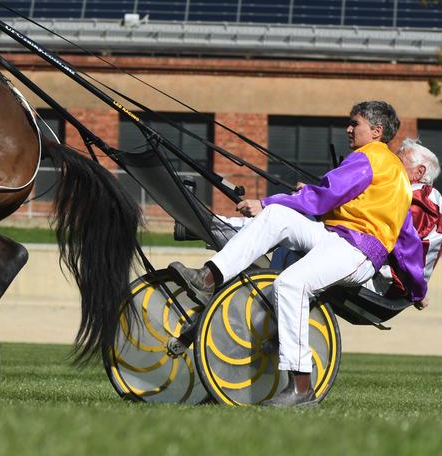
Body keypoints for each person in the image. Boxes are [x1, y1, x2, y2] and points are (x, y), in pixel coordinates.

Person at [168, 101, 426, 408]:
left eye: (354, 123)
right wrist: (417, 289)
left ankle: (301, 388)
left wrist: (264, 202)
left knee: (289, 284)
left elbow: (326, 194)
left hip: (354, 250)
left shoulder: (371, 157)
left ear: (376, 130)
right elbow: (407, 239)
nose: (348, 128)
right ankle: (208, 277)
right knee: (278, 216)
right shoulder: (395, 174)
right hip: (334, 238)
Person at [368, 139, 442, 301]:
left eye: (399, 162)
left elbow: (406, 248)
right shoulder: (424, 197)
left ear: (419, 172)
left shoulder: (420, 199)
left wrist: (418, 291)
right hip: (394, 279)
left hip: (386, 279)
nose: (392, 166)